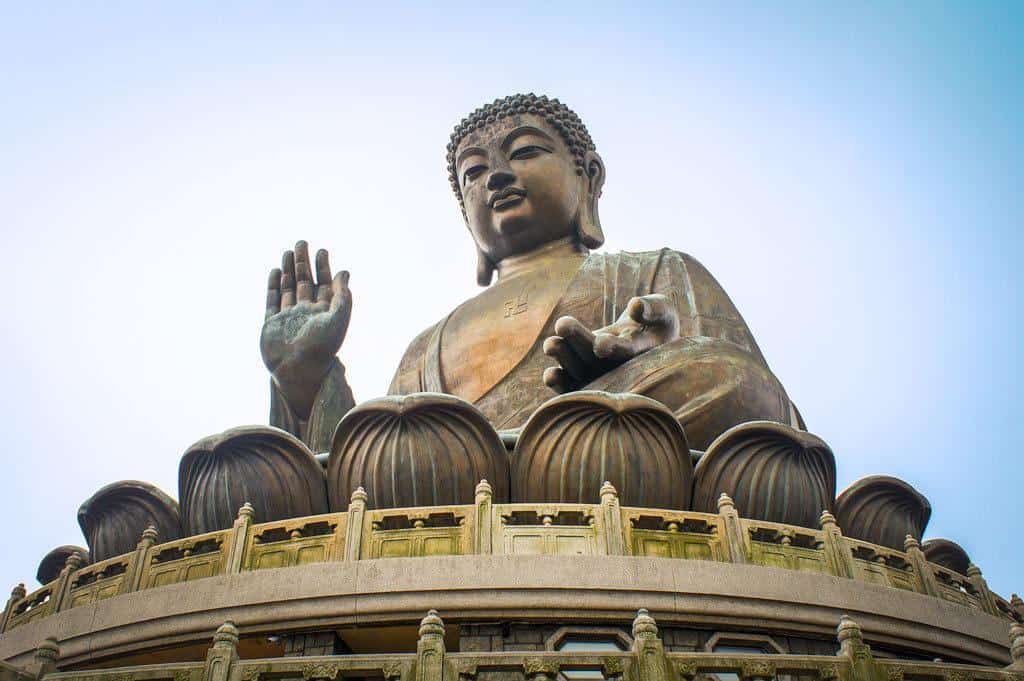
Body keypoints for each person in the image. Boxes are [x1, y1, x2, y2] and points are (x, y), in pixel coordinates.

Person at [259, 94, 800, 453]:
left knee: (733, 382)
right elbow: (359, 470)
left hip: (606, 462)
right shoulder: (427, 348)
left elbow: (766, 406)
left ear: (587, 177)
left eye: (524, 153)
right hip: (456, 490)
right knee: (388, 450)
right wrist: (304, 380)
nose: (495, 176)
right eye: (474, 172)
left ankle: (575, 432)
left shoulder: (654, 271)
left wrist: (648, 359)